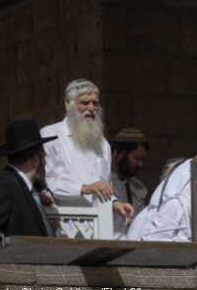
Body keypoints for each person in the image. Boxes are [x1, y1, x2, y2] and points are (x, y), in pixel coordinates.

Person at [41, 79, 134, 237]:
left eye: (95, 103)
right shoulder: (50, 135)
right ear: (67, 103)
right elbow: (44, 184)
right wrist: (83, 188)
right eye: (85, 102)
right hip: (64, 229)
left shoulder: (103, 144)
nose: (91, 108)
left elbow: (103, 186)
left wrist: (115, 203)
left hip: (99, 229)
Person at [0, 119, 57, 253]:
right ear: (35, 160)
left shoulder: (28, 191)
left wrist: (45, 214)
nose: (45, 162)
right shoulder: (3, 184)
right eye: (44, 157)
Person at [109, 128, 150, 239]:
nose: (140, 165)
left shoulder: (135, 188)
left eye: (142, 160)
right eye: (137, 158)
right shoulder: (103, 181)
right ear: (119, 152)